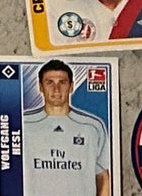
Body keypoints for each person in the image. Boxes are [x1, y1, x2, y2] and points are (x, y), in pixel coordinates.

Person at [19, 59, 109, 196]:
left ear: (71, 87)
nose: (56, 89)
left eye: (62, 82)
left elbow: (103, 177)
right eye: (50, 83)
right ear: (40, 87)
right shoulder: (23, 124)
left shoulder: (92, 127)